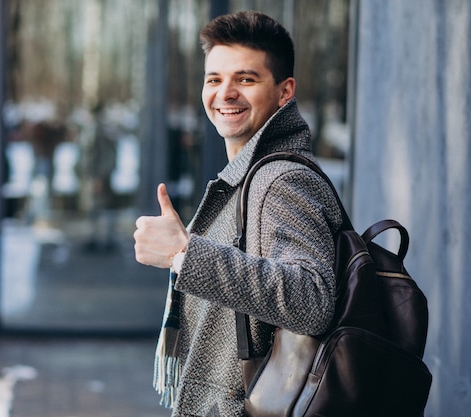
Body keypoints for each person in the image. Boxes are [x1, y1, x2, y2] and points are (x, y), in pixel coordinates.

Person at [134, 11, 343, 417]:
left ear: (285, 92)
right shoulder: (248, 177)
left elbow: (313, 298)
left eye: (245, 79)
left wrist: (185, 254)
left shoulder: (281, 180)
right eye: (214, 79)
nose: (225, 92)